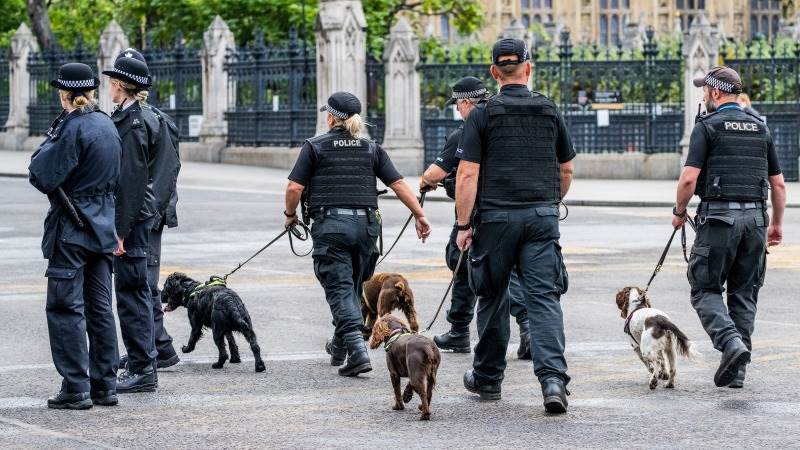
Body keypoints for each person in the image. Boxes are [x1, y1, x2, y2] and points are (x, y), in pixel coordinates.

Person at [454, 38, 575, 413]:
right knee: (543, 299)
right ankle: (553, 380)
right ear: (529, 68)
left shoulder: (482, 114)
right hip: (541, 218)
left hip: (495, 220)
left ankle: (488, 379)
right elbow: (566, 168)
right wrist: (550, 203)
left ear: (494, 72)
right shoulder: (549, 109)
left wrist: (463, 224)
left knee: (492, 296)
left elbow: (467, 173)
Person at [284, 92, 431, 377]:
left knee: (340, 290)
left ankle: (358, 351)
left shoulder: (315, 147)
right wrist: (420, 214)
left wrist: (290, 216)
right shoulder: (370, 148)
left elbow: (294, 188)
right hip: (366, 230)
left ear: (330, 117)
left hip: (332, 228)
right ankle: (339, 347)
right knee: (350, 289)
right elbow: (399, 183)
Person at [673, 66, 786, 388]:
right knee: (744, 294)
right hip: (755, 219)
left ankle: (730, 343)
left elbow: (689, 179)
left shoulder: (707, 127)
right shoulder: (760, 127)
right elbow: (778, 185)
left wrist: (679, 211)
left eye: (705, 90)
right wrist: (776, 224)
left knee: (704, 288)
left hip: (720, 219)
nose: (704, 95)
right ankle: (737, 372)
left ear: (715, 93)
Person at [28, 63, 122, 409]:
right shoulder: (106, 125)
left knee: (65, 307)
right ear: (92, 92)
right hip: (102, 226)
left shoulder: (73, 127)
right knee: (99, 308)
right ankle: (105, 384)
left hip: (72, 227)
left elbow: (40, 172)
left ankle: (75, 386)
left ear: (64, 94)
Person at [419, 76, 531, 359]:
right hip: (517, 208)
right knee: (507, 269)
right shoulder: (505, 123)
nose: (458, 110)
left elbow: (436, 174)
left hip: (481, 213)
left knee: (464, 261)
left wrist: (424, 183)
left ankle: (460, 332)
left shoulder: (467, 130)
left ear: (467, 102)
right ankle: (526, 327)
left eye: (458, 104)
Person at [105, 49, 181, 393]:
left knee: (133, 292)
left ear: (120, 85)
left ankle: (142, 367)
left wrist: (122, 230)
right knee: (137, 290)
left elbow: (135, 181)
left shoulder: (136, 122)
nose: (109, 86)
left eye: (112, 81)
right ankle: (148, 355)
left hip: (136, 222)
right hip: (141, 219)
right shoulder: (138, 117)